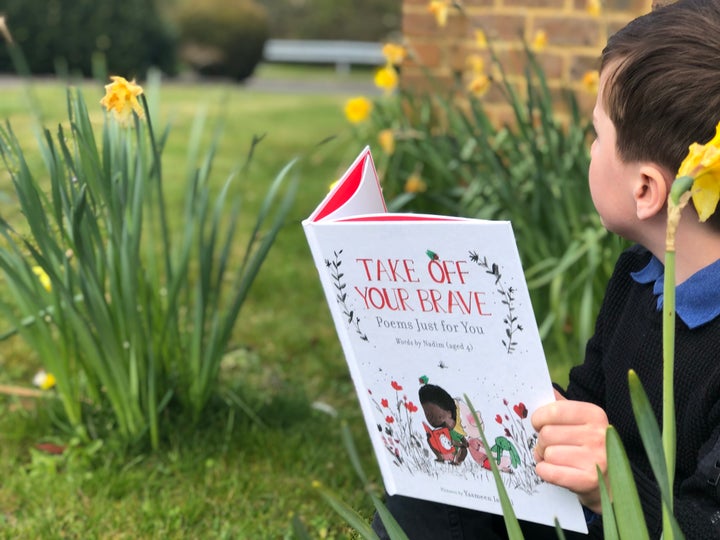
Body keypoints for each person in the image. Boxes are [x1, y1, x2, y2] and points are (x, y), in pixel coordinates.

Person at [372, 0, 720, 537]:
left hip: (641, 524)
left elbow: (703, 524)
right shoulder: (639, 274)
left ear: (646, 189)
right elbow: (591, 397)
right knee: (421, 505)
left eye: (597, 134)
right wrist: (526, 405)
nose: (589, 148)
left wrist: (614, 487)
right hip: (592, 516)